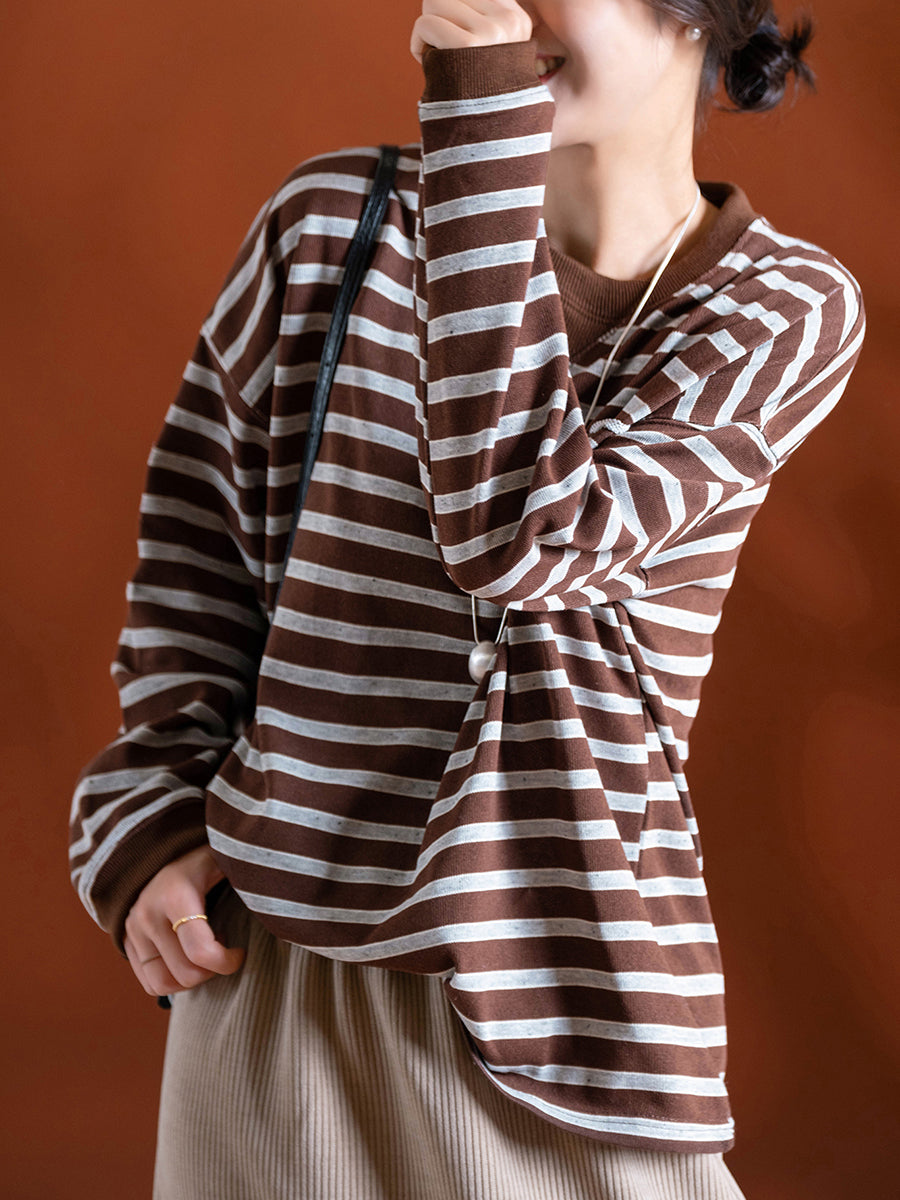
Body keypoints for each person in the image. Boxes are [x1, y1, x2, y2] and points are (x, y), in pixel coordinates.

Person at [69, 2, 864, 1197]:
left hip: (567, 1003)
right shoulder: (332, 226)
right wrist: (149, 825)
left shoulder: (783, 308)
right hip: (277, 987)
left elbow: (523, 534)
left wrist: (482, 117)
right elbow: (198, 556)